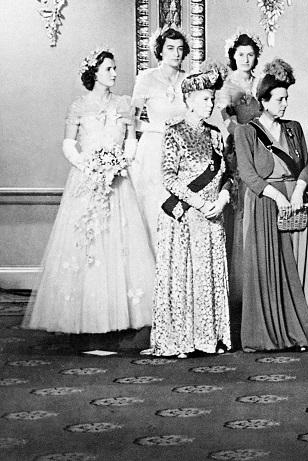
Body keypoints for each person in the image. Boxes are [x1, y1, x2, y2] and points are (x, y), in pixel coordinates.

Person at [24, 49, 155, 342]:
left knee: (119, 243)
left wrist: (121, 162)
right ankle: (87, 317)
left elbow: (132, 141)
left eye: (115, 68)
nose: (114, 73)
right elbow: (69, 144)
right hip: (86, 181)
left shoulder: (123, 105)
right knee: (88, 242)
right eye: (108, 68)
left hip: (118, 181)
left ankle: (123, 316)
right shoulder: (79, 106)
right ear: (94, 73)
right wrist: (88, 166)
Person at [150, 64, 232, 358]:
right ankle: (182, 341)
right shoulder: (175, 133)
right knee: (185, 278)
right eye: (205, 99)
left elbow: (226, 174)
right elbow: (168, 178)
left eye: (211, 98)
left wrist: (221, 200)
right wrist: (199, 204)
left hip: (213, 218)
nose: (210, 104)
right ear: (189, 100)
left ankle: (211, 339)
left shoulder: (215, 134)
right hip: (184, 217)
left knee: (208, 277)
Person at [234, 59, 308, 351]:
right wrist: (279, 197)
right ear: (263, 100)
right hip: (265, 203)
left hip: (293, 200)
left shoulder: (294, 128)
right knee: (266, 268)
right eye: (279, 99)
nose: (284, 104)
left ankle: (294, 333)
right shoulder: (246, 131)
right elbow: (248, 174)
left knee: (292, 270)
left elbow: (306, 166)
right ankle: (265, 337)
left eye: (287, 99)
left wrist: (297, 192)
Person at [216, 30, 263, 305]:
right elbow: (227, 119)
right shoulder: (227, 85)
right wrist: (242, 139)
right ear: (233, 56)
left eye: (250, 54)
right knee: (240, 204)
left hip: (261, 146)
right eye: (240, 54)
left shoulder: (260, 83)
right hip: (237, 146)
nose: (245, 58)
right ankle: (238, 284)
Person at [130, 27, 188, 249]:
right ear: (160, 51)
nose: (176, 54)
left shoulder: (189, 79)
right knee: (154, 203)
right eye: (170, 48)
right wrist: (156, 129)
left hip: (184, 150)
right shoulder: (147, 78)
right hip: (154, 148)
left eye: (180, 49)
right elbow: (132, 119)